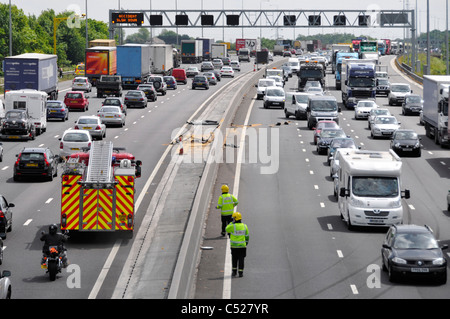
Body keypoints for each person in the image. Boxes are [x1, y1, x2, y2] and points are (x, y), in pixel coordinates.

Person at [226, 212, 249, 277]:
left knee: (234, 259)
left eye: (233, 218)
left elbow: (227, 229)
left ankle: (234, 272)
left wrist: (231, 223)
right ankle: (241, 272)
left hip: (234, 246)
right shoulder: (244, 226)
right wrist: (246, 242)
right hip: (242, 246)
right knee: (241, 259)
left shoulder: (232, 226)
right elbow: (247, 236)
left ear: (235, 219)